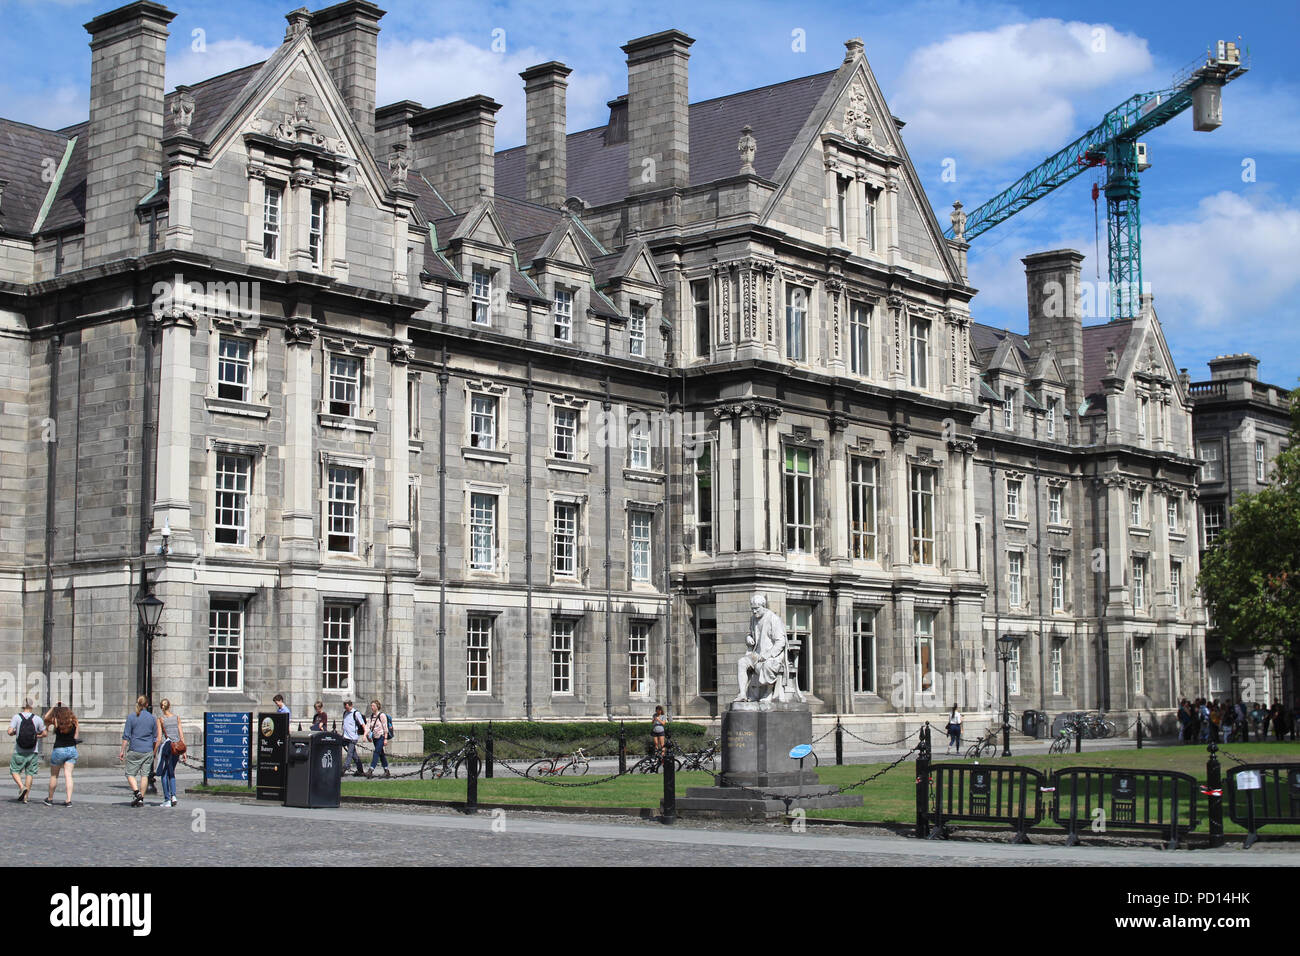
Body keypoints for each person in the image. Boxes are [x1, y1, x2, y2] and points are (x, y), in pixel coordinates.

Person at [120, 695, 157, 807]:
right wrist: (154, 751)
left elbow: (126, 736)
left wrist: (122, 750)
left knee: (129, 774)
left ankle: (137, 792)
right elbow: (155, 737)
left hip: (135, 749)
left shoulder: (131, 717)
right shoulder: (152, 718)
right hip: (147, 749)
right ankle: (141, 799)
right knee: (145, 775)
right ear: (147, 704)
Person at [8, 698, 46, 803]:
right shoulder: (37, 718)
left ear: (23, 706)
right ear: (31, 706)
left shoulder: (16, 717)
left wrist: (15, 733)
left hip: (19, 750)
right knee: (29, 773)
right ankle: (26, 797)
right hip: (33, 750)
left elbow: (9, 731)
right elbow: (45, 733)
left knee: (14, 770)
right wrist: (36, 736)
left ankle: (21, 787)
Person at [43, 704, 78, 807]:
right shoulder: (74, 721)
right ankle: (68, 800)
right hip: (72, 749)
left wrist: (53, 707)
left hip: (59, 749)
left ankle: (50, 799)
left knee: (54, 775)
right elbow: (76, 736)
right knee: (68, 775)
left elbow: (45, 718)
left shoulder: (56, 721)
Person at [154, 698, 186, 808]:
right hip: (177, 747)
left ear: (161, 707)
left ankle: (167, 799)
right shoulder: (177, 718)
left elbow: (159, 738)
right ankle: (174, 796)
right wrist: (184, 751)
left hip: (167, 747)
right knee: (172, 772)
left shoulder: (160, 719)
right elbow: (181, 734)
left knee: (164, 773)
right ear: (169, 706)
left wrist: (154, 752)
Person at [340, 699, 366, 776]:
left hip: (353, 737)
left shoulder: (356, 713)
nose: (346, 708)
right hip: (345, 736)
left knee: (350, 753)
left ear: (351, 705)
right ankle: (360, 769)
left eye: (347, 706)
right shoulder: (345, 713)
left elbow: (363, 724)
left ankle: (344, 768)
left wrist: (365, 735)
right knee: (354, 755)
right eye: (345, 706)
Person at [365, 700, 390, 778]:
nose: (372, 707)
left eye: (373, 706)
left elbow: (385, 727)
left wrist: (385, 738)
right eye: (371, 706)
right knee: (381, 754)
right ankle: (386, 770)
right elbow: (367, 726)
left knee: (376, 752)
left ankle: (371, 769)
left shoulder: (382, 715)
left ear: (377, 707)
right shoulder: (371, 716)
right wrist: (366, 736)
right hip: (374, 738)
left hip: (381, 737)